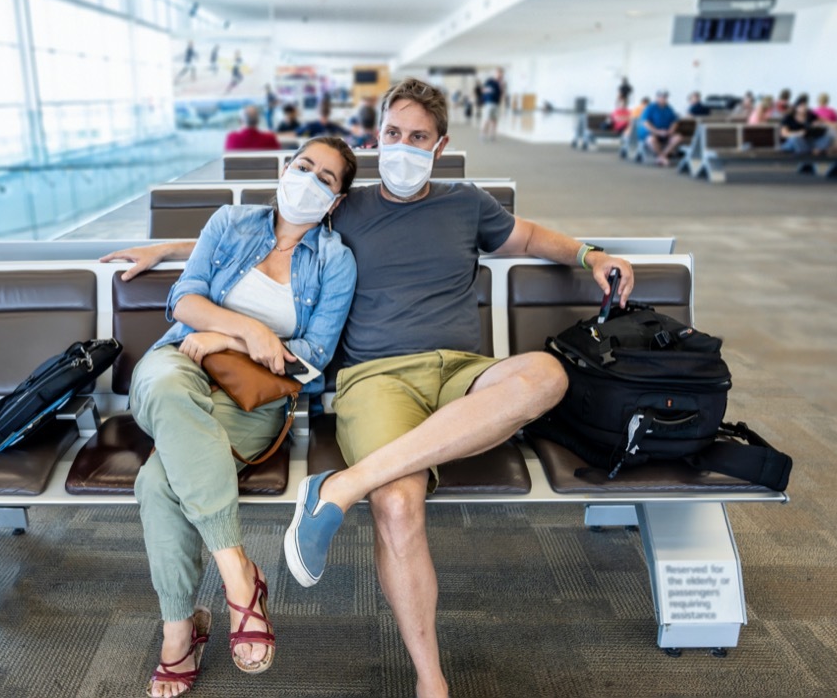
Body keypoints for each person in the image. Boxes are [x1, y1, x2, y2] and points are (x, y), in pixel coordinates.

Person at [107, 78, 635, 698]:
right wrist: (169, 247)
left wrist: (589, 254)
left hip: (463, 369)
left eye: (418, 138)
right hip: (376, 378)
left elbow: (527, 238)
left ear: (440, 146)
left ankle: (342, 488)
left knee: (547, 374)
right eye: (392, 134)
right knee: (398, 504)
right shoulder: (344, 204)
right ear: (375, 136)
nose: (403, 147)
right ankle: (430, 680)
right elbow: (269, 231)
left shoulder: (465, 203)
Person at [105, 137, 358, 698]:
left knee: (157, 482)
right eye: (303, 167)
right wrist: (250, 331)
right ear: (282, 169)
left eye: (327, 179)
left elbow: (314, 354)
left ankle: (180, 631)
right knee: (170, 388)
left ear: (336, 201)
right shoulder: (231, 222)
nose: (310, 181)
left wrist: (226, 338)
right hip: (178, 364)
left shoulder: (335, 261)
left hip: (254, 396)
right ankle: (240, 579)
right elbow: (184, 301)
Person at [637, 90, 683, 166]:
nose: (664, 99)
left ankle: (662, 156)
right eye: (662, 97)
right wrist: (657, 132)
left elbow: (675, 121)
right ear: (657, 97)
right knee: (651, 140)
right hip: (651, 133)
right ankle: (662, 156)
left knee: (678, 138)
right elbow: (645, 122)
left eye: (665, 97)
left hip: (666, 132)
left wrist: (671, 130)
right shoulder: (650, 108)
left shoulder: (669, 108)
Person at [480, 68, 506, 141]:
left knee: (494, 120)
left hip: (496, 104)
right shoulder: (490, 81)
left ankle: (492, 135)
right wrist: (489, 90)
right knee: (487, 119)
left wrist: (501, 87)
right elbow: (483, 90)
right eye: (499, 73)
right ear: (496, 73)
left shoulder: (501, 83)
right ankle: (483, 135)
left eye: (501, 74)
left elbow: (501, 94)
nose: (500, 75)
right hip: (489, 103)